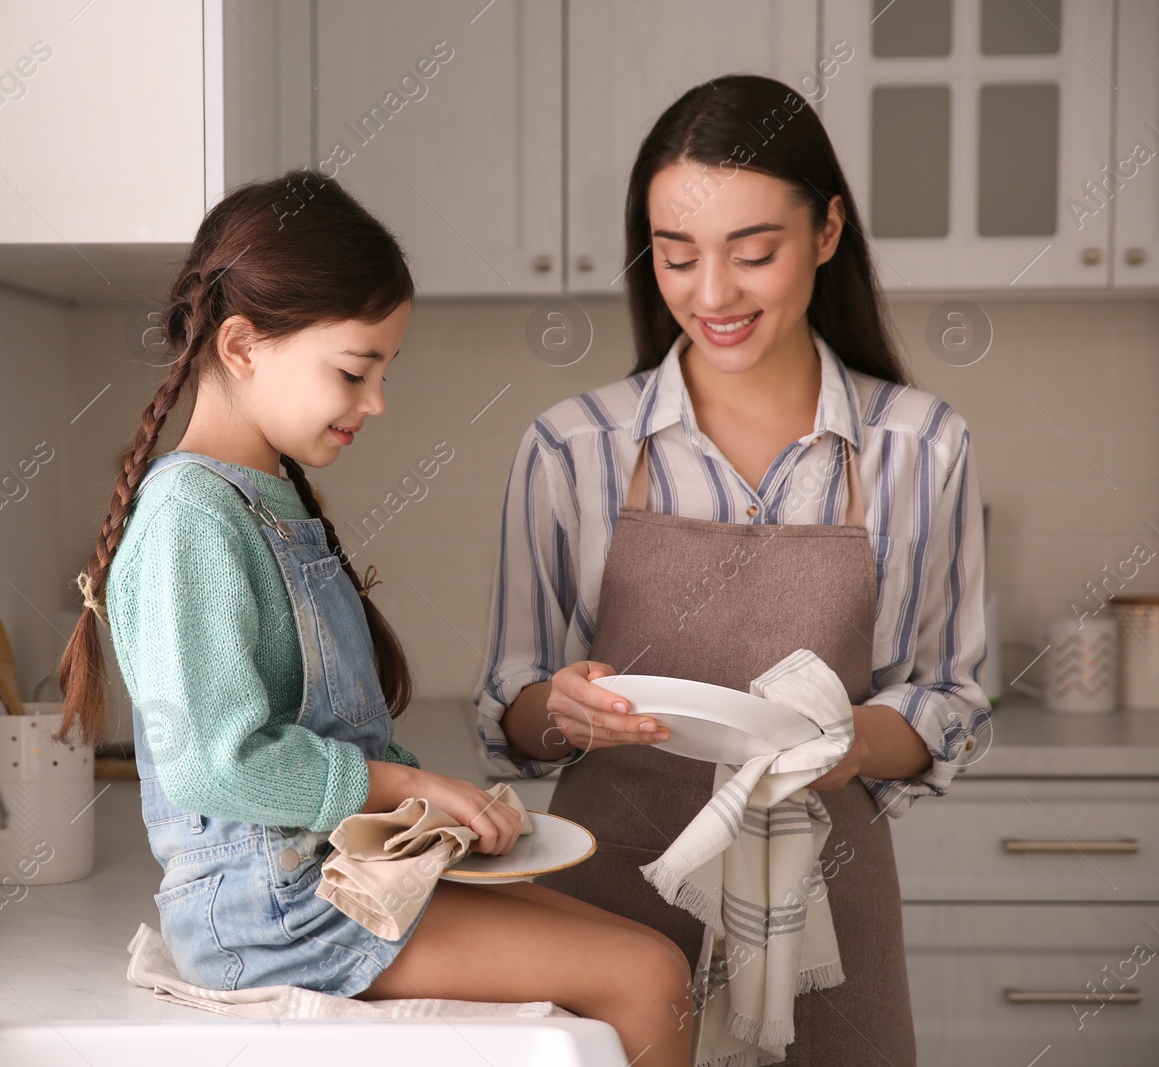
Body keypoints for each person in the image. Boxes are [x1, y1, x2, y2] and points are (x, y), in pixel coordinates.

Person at [55, 169, 694, 1065]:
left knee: (657, 953)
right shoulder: (188, 517)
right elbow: (215, 761)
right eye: (356, 370)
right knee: (647, 979)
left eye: (384, 371)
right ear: (241, 346)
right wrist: (408, 789)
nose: (377, 400)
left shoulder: (264, 494)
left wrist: (434, 811)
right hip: (272, 913)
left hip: (337, 880)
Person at [476, 75, 990, 1066]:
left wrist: (840, 744)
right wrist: (563, 709)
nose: (710, 294)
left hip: (823, 920)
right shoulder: (569, 450)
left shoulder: (921, 447)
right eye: (676, 256)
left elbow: (950, 697)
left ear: (827, 229)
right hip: (610, 908)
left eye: (752, 253)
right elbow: (511, 701)